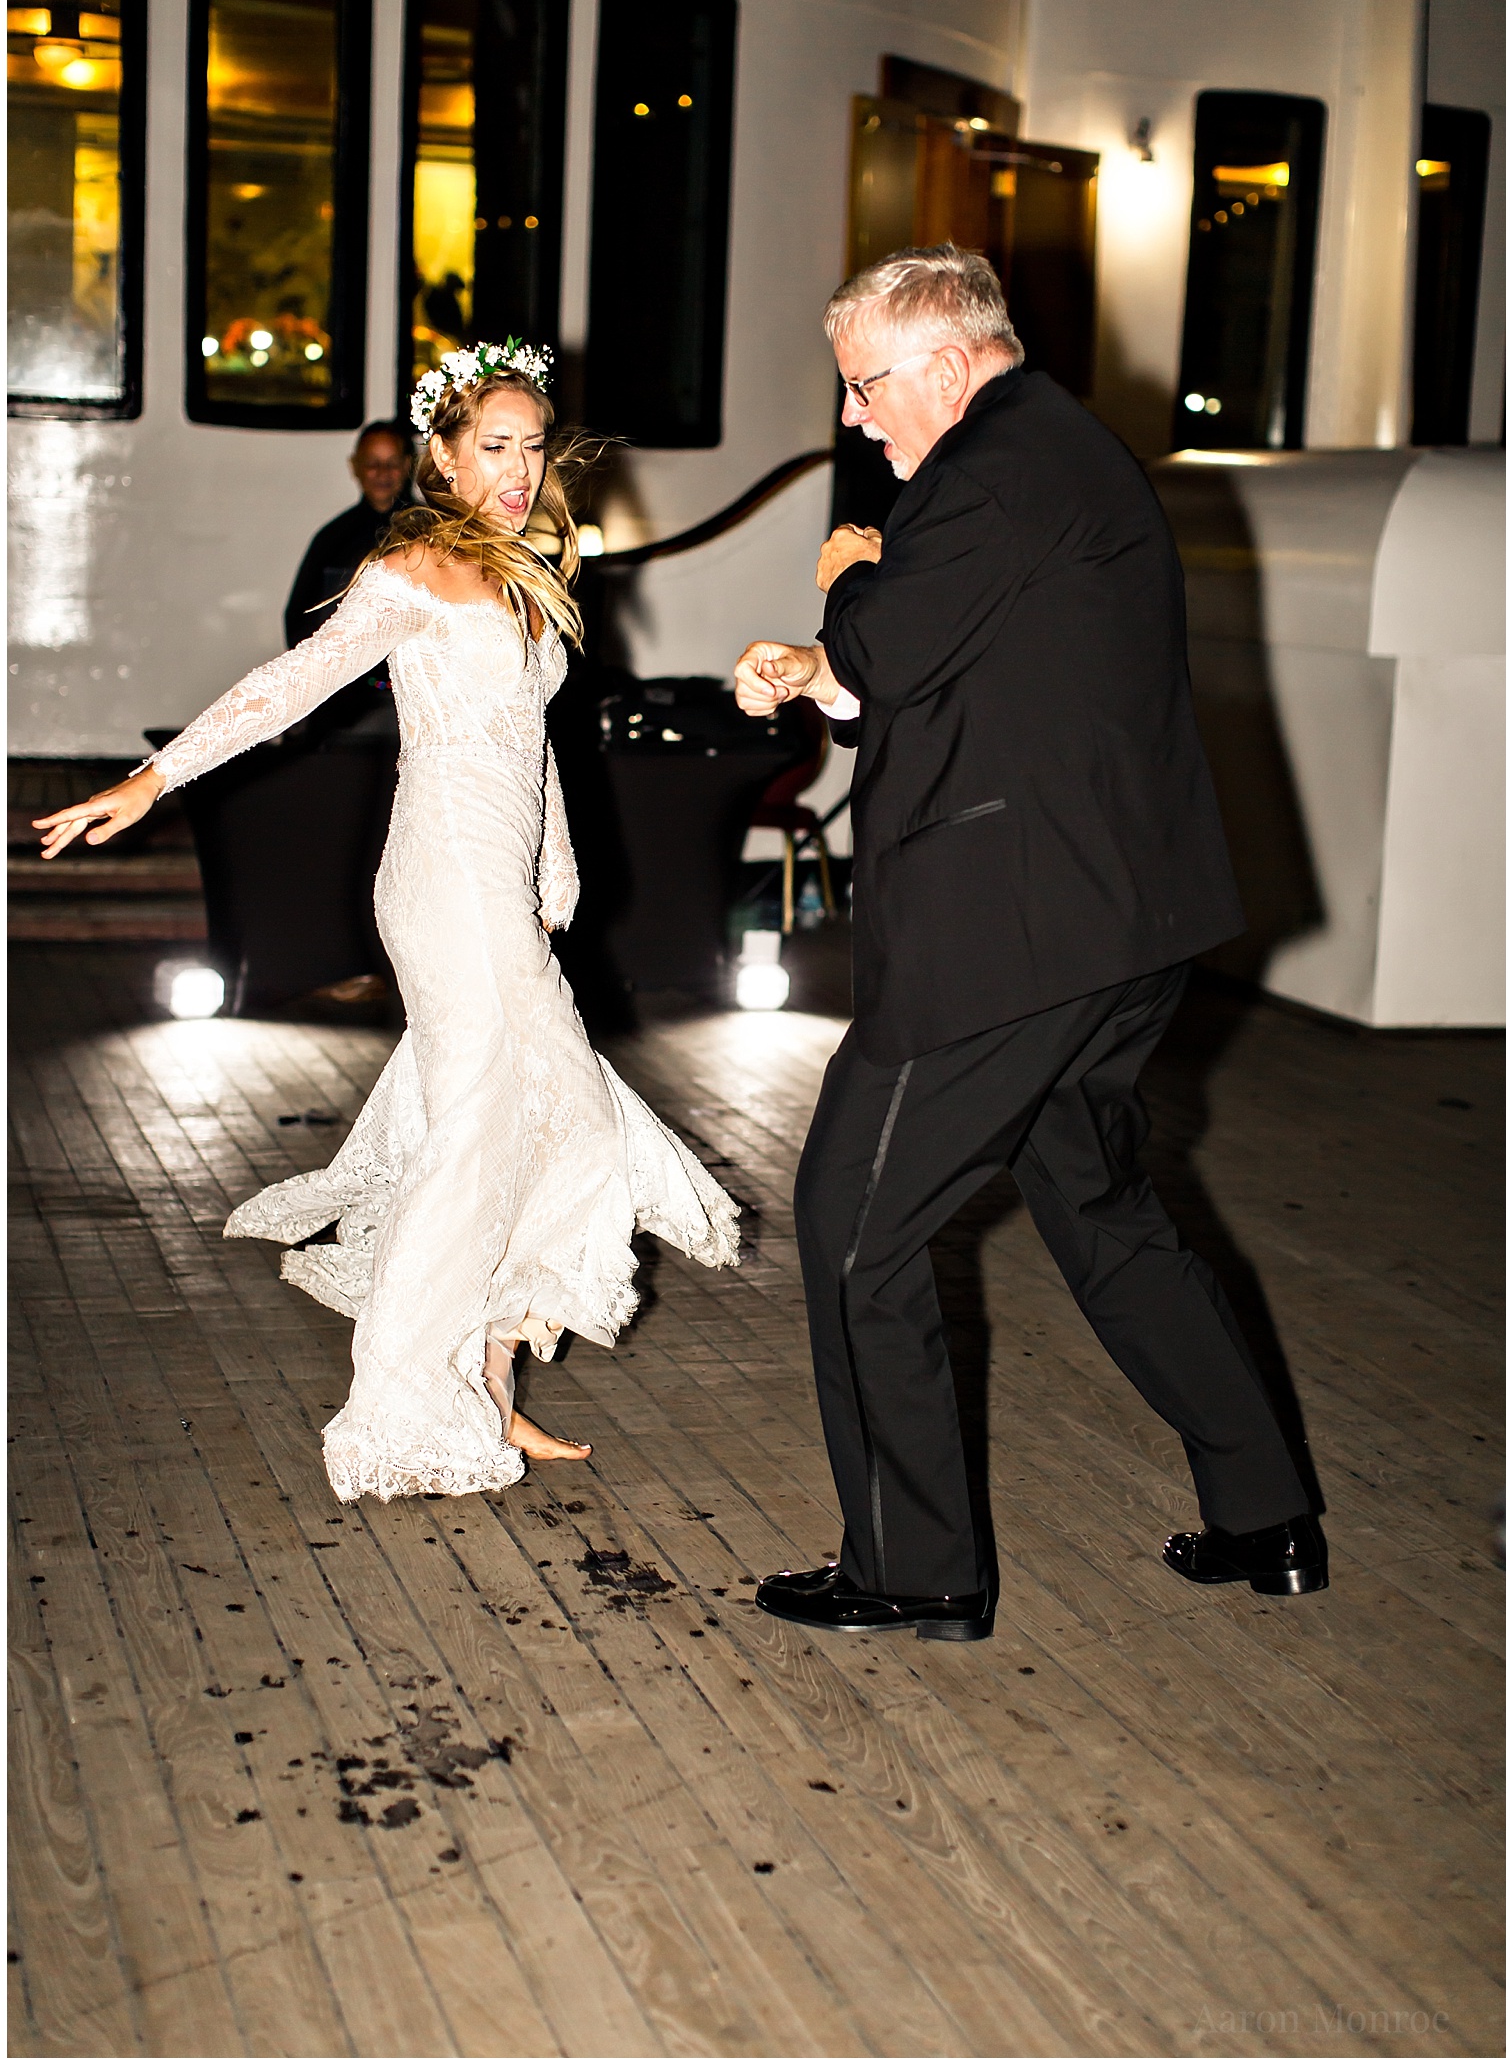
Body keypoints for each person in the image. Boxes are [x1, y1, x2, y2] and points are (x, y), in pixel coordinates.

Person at [733, 244, 1325, 1644]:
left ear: (945, 364)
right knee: (1106, 1213)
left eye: (865, 387)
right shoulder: (1051, 454)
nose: (856, 417)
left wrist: (842, 586)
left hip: (1014, 931)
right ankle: (1266, 1512)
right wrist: (826, 654)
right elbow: (939, 670)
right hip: (1115, 923)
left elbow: (881, 652)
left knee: (851, 1226)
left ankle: (914, 1565)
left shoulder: (989, 469)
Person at [36, 339, 740, 1502]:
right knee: (489, 1129)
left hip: (498, 871)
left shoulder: (523, 569)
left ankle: (492, 1387)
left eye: (532, 447)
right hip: (443, 871)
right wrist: (155, 779)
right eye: (493, 448)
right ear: (446, 457)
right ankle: (401, 1410)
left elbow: (528, 732)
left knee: (543, 1117)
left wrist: (552, 860)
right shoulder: (414, 562)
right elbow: (290, 683)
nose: (518, 470)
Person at [284, 418, 414, 739]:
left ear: (408, 465)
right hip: (346, 703)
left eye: (392, 464)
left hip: (414, 699)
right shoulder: (332, 540)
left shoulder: (429, 532)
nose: (382, 473)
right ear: (354, 467)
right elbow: (299, 622)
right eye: (373, 464)